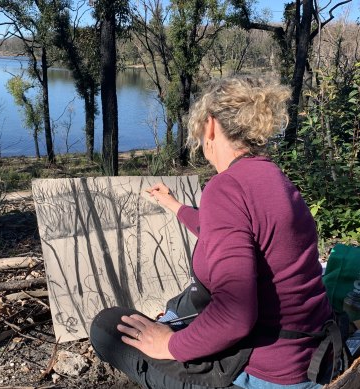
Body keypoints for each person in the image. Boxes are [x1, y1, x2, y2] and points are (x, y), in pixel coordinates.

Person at [89, 77, 336, 389]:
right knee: (185, 302)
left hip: (262, 373)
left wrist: (168, 345)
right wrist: (174, 205)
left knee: (107, 326)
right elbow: (224, 230)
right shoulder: (273, 179)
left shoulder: (226, 187)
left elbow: (235, 317)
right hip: (307, 355)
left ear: (210, 126)